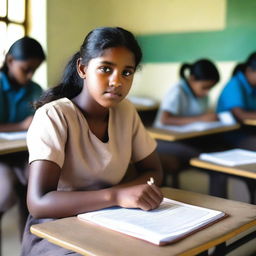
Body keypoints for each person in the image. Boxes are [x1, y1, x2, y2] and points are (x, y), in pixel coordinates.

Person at [21, 27, 163, 255]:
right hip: (56, 229)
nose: (117, 81)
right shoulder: (55, 116)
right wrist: (117, 195)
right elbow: (38, 203)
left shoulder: (125, 111)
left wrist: (125, 196)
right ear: (83, 68)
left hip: (112, 218)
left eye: (127, 73)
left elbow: (153, 170)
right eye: (106, 69)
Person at [0, 37, 45, 238]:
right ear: (10, 61)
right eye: (25, 69)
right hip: (2, 157)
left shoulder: (35, 90)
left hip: (25, 153)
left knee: (39, 184)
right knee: (5, 192)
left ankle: (28, 243)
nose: (29, 75)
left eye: (34, 70)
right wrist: (20, 126)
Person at [153, 59, 222, 188]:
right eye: (205, 87)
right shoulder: (177, 91)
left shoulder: (202, 95)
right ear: (192, 79)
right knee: (209, 160)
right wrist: (201, 118)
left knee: (218, 151)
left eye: (210, 88)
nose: (207, 92)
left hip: (186, 138)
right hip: (163, 140)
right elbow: (165, 119)